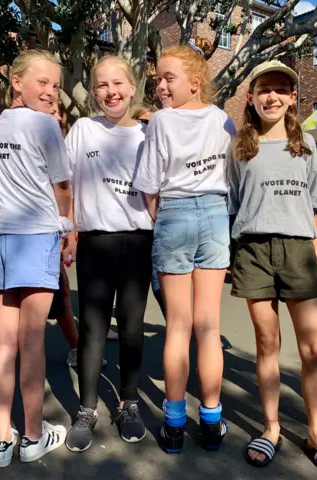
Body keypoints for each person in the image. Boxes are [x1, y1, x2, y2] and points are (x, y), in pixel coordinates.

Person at [228, 60, 317, 475]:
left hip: (299, 251)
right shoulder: (241, 147)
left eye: (281, 89)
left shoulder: (307, 144)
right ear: (252, 96)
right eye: (264, 89)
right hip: (254, 250)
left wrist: (316, 255)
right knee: (267, 344)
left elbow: (314, 208)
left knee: (313, 346)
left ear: (293, 97)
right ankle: (272, 427)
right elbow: (234, 203)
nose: (272, 96)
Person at [133, 40, 234, 453]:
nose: (160, 86)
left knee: (178, 325)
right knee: (208, 327)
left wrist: (163, 221)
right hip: (215, 215)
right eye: (158, 79)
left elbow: (149, 188)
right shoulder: (224, 121)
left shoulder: (161, 122)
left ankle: (174, 423)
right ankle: (211, 421)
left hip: (173, 212)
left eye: (168, 78)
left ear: (195, 82)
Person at [0, 98, 105, 367]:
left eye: (57, 111)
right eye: (52, 110)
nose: (57, 115)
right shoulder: (33, 134)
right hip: (38, 232)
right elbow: (62, 189)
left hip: (27, 232)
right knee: (49, 294)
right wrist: (68, 229)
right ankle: (75, 349)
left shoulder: (36, 137)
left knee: (24, 292)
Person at [0, 49, 70, 468]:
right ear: (16, 82)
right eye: (43, 82)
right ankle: (33, 435)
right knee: (31, 345)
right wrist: (68, 224)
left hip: (0, 237)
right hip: (36, 237)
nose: (51, 92)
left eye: (55, 85)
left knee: (4, 344)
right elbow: (63, 185)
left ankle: (2, 437)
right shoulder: (45, 126)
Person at [63, 56, 154, 452]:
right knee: (93, 328)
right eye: (102, 85)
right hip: (95, 242)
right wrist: (66, 229)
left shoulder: (151, 134)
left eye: (118, 84)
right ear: (92, 90)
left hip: (138, 243)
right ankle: (86, 409)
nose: (111, 92)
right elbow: (62, 182)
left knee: (132, 328)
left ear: (133, 87)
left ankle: (128, 403)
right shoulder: (83, 129)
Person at [130, 103, 167, 318]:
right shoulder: (127, 150)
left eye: (153, 123)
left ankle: (178, 323)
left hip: (158, 225)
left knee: (159, 277)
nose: (149, 127)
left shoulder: (159, 149)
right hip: (134, 228)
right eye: (145, 122)